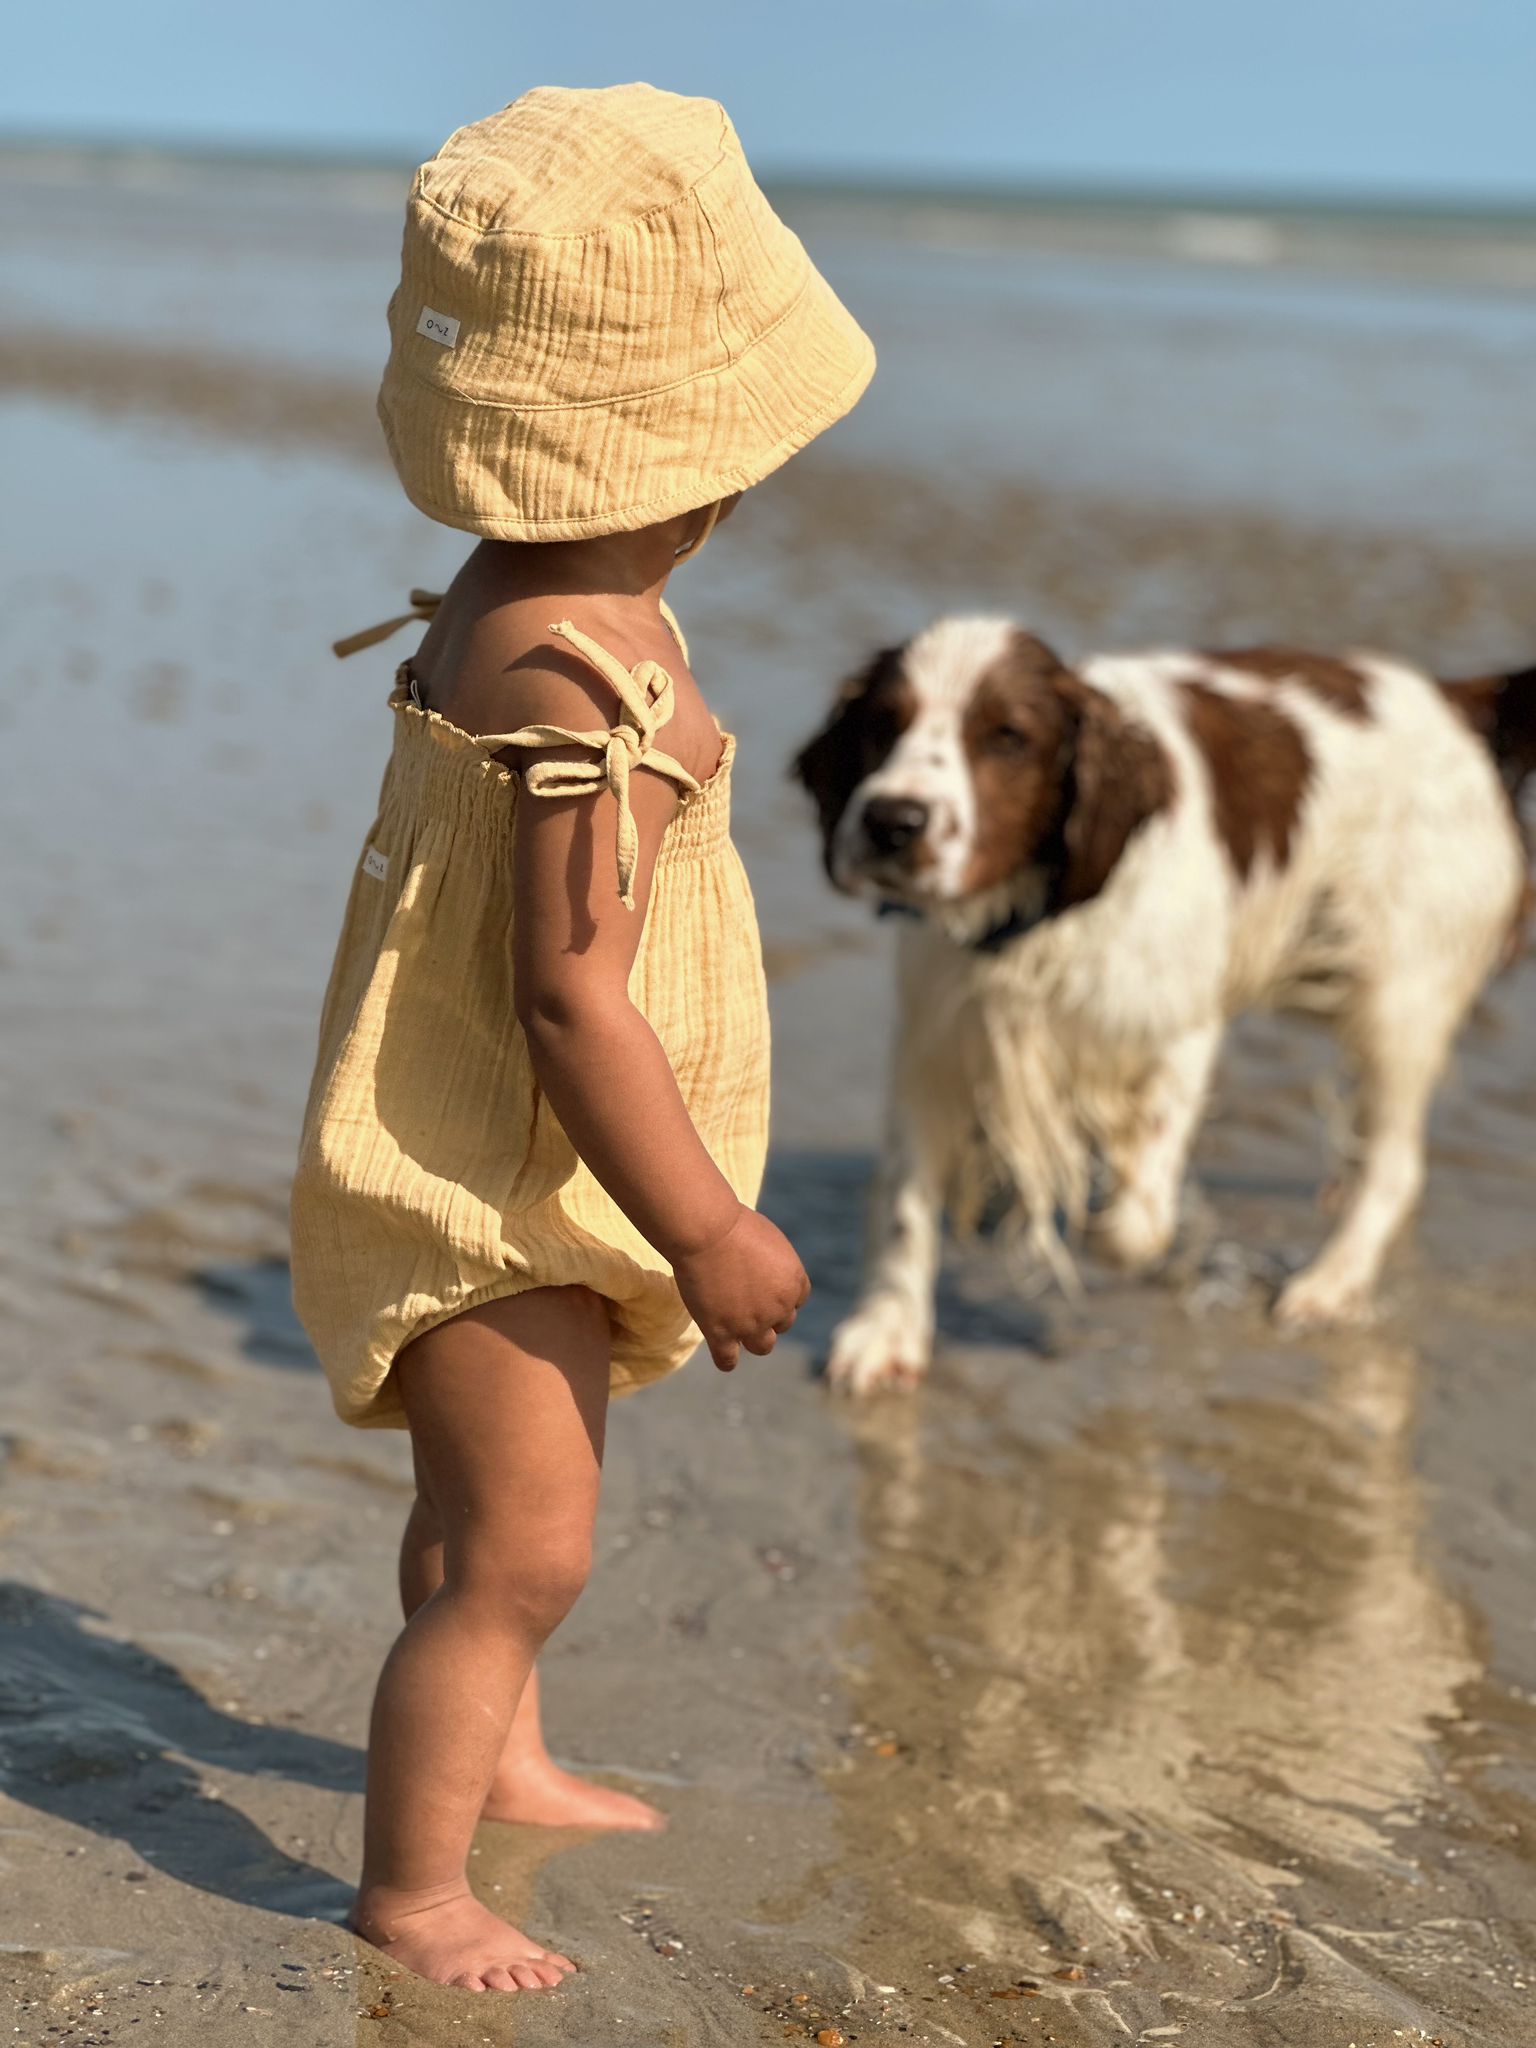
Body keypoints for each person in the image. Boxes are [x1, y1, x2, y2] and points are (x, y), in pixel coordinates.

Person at [289, 84, 875, 1994]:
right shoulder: (587, 671)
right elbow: (569, 994)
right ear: (689, 457)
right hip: (492, 1180)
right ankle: (412, 1891)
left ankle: (502, 1752)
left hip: (457, 1136)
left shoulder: (513, 597)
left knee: (474, 1522)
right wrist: (708, 1225)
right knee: (526, 1553)